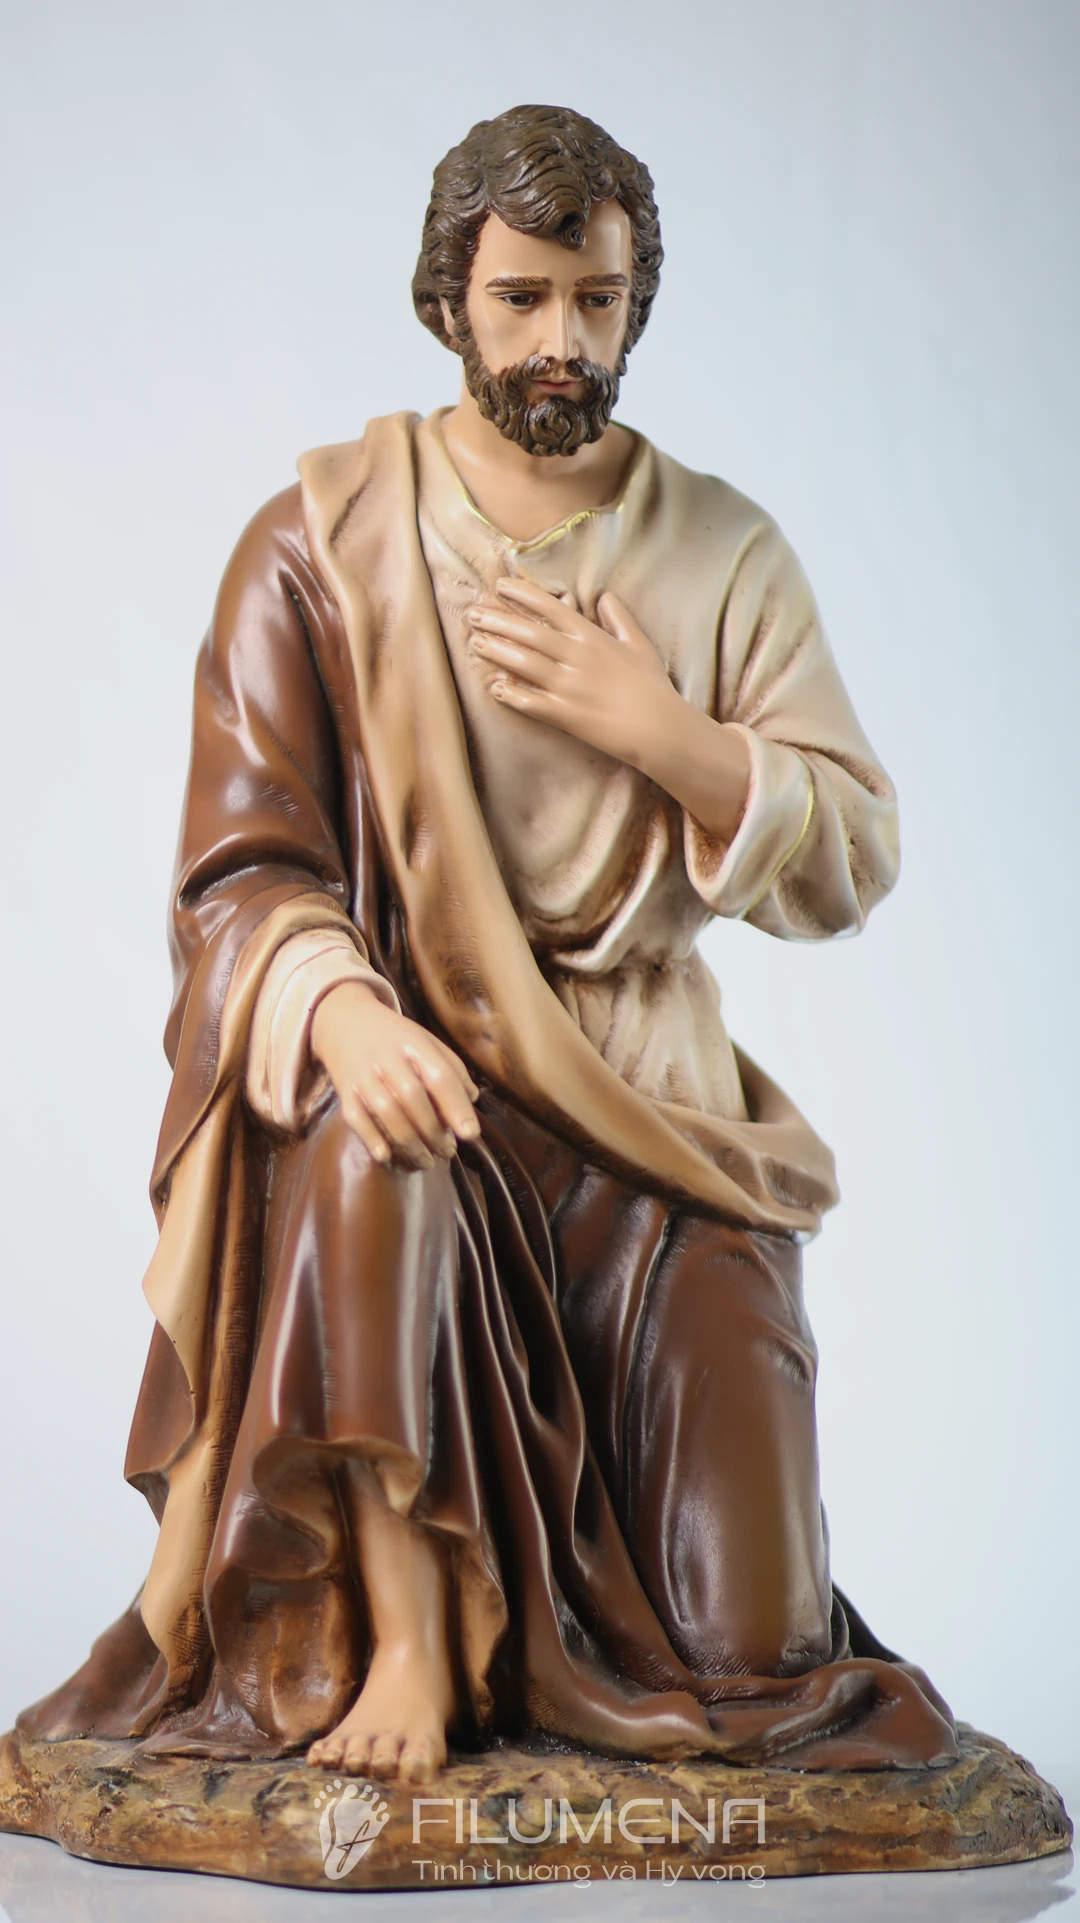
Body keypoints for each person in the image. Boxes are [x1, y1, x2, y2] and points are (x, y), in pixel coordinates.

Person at [16, 104, 957, 1787]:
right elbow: (240, 869)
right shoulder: (322, 544)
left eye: (597, 300)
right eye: (522, 298)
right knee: (367, 1134)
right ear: (448, 294)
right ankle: (410, 1632)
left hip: (655, 1121)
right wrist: (342, 1010)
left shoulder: (723, 548)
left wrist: (665, 734)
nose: (560, 341)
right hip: (428, 1093)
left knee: (754, 1651)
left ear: (638, 298)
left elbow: (855, 855)